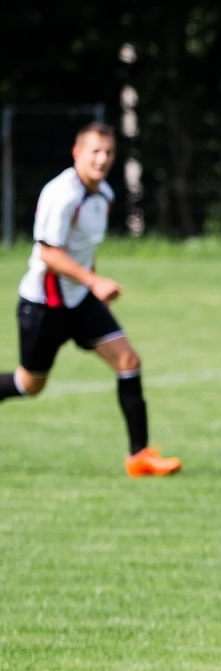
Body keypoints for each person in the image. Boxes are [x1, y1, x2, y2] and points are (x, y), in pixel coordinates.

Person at [0, 122, 181, 477]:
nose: (102, 159)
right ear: (77, 153)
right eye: (95, 152)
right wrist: (94, 281)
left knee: (128, 359)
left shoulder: (105, 196)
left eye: (108, 152)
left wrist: (93, 287)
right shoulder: (62, 193)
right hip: (43, 305)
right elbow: (48, 253)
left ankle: (139, 456)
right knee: (29, 385)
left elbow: (85, 251)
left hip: (80, 300)